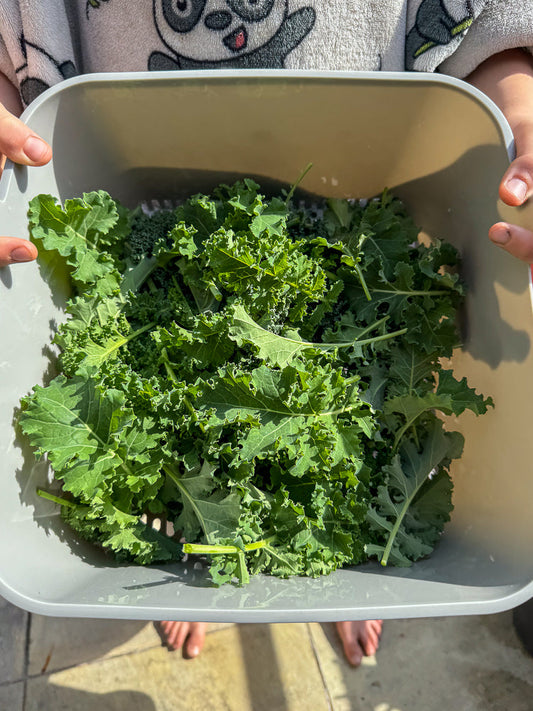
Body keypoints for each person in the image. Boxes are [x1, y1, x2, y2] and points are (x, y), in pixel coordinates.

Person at [0, 1, 532, 667]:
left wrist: (518, 121)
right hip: (130, 176)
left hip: (355, 206)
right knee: (191, 498)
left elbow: (489, 34)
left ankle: (338, 558)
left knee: (352, 522)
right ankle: (196, 534)